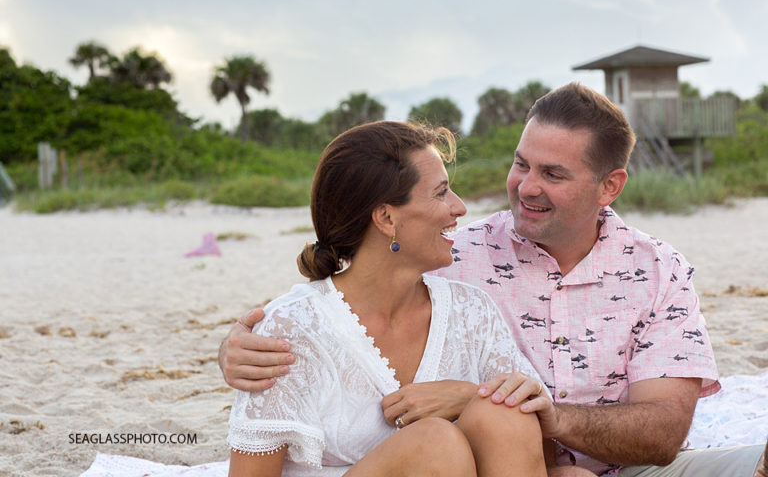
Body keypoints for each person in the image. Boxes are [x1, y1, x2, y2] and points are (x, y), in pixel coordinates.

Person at [220, 84, 766, 476]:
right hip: (473, 461)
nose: (525, 186)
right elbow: (343, 287)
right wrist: (237, 351)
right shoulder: (454, 253)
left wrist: (519, 410)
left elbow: (663, 435)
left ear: (610, 186)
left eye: (553, 174)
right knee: (462, 434)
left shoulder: (657, 269)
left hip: (631, 470)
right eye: (521, 163)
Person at [226, 120, 571, 477]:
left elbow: (535, 454)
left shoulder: (472, 311)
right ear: (386, 218)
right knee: (434, 444)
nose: (460, 207)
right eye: (441, 193)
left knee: (506, 412)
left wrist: (471, 395)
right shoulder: (292, 328)